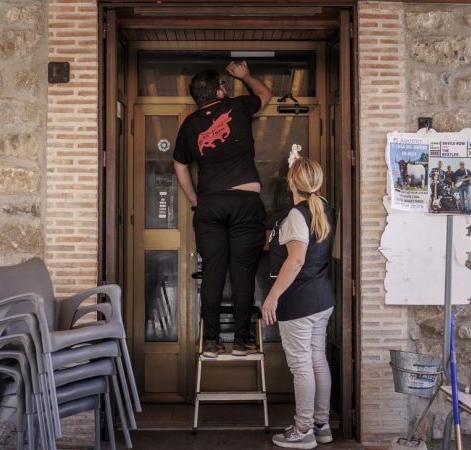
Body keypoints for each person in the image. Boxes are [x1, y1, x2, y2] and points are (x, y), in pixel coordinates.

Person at [173, 61, 272, 358]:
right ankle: (242, 340)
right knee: (243, 272)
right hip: (244, 203)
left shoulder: (189, 124)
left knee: (213, 273)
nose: (226, 89)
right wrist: (245, 76)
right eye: (224, 85)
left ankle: (211, 342)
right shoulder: (237, 106)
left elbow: (179, 165)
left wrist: (194, 199)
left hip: (210, 205)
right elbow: (265, 94)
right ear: (218, 91)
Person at [262, 158, 335, 449]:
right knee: (317, 359)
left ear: (291, 181)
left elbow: (296, 260)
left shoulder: (296, 215)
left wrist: (272, 297)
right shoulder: (323, 205)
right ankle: (321, 424)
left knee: (302, 365)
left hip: (299, 302)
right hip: (322, 299)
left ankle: (303, 430)